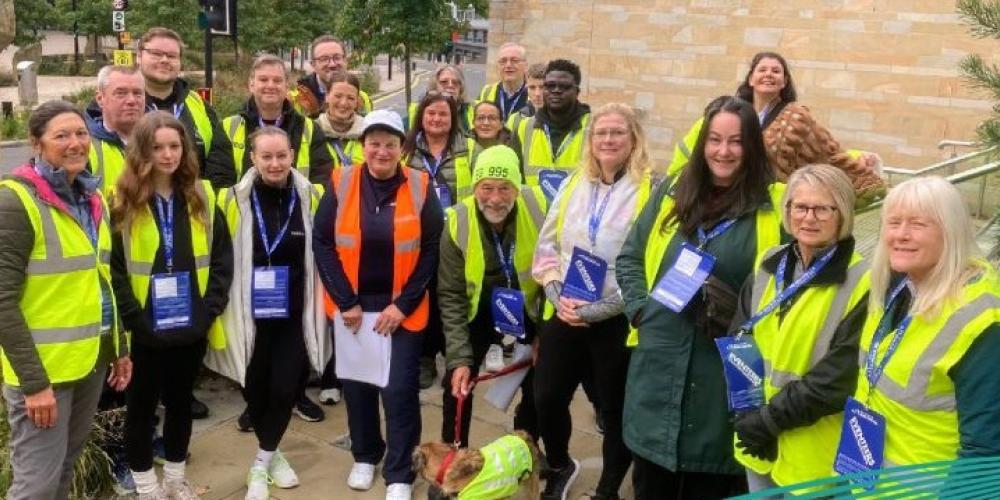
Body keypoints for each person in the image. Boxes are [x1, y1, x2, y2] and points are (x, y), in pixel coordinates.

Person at [615, 96, 785, 499]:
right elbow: (629, 257)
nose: (723, 151)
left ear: (752, 147)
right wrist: (642, 312)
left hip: (722, 381)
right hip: (658, 370)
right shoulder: (671, 191)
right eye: (714, 140)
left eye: (736, 141)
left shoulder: (776, 206)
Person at [0, 100, 131, 500]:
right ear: (37, 143)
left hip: (88, 360)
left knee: (63, 471)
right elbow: (2, 300)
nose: (75, 143)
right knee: (35, 486)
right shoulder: (15, 202)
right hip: (42, 373)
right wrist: (34, 385)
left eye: (80, 134)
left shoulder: (90, 198)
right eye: (62, 136)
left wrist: (118, 346)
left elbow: (101, 280)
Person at [313, 109, 443, 500]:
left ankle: (400, 472)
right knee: (357, 389)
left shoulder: (421, 185)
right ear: (363, 146)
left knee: (399, 391)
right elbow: (323, 242)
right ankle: (365, 454)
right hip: (353, 309)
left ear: (402, 147)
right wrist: (345, 300)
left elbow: (431, 249)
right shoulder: (342, 179)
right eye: (374, 143)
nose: (382, 151)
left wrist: (402, 305)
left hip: (400, 310)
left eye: (390, 144)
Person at [531, 103, 655, 500]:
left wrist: (602, 309)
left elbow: (653, 266)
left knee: (614, 409)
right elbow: (546, 246)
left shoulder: (651, 191)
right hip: (566, 310)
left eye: (617, 132)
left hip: (618, 320)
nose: (608, 140)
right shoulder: (573, 183)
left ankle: (607, 490)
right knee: (546, 396)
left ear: (633, 139)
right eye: (600, 133)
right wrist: (556, 293)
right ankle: (561, 463)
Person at [110, 112, 233, 500]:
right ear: (141, 151)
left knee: (181, 404)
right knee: (141, 409)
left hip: (190, 324)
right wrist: (135, 320)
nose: (167, 155)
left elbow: (221, 260)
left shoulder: (203, 195)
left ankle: (177, 480)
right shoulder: (120, 201)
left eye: (174, 146)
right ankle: (147, 488)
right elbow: (113, 269)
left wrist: (209, 311)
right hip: (143, 329)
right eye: (157, 147)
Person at [725, 164, 869, 491]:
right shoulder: (768, 263)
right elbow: (740, 340)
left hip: (813, 454)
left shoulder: (863, 281)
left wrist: (767, 422)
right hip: (757, 441)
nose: (809, 217)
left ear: (842, 213)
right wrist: (745, 415)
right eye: (800, 207)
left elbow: (838, 377)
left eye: (822, 209)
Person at [204, 126, 329, 500]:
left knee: (285, 388)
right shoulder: (231, 200)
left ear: (292, 154)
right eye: (266, 157)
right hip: (249, 318)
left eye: (281, 155)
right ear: (253, 159)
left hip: (295, 315)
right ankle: (272, 456)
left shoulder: (312, 197)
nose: (275, 164)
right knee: (255, 389)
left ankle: (260, 463)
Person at [847, 177, 1000, 472]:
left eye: (918, 224)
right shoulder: (898, 286)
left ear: (950, 232)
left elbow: (985, 452)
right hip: (867, 481)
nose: (901, 235)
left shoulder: (981, 321)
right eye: (893, 223)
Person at [666, 52, 885, 206]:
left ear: (784, 82)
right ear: (751, 79)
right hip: (717, 201)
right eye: (762, 69)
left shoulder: (796, 117)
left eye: (776, 71)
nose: (769, 74)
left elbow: (826, 153)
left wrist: (858, 159)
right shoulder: (726, 114)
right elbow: (691, 153)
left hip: (767, 207)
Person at [439, 145, 546, 448]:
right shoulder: (457, 220)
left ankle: (524, 446)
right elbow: (451, 295)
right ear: (475, 187)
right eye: (486, 188)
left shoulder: (539, 206)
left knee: (540, 382)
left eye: (504, 188)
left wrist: (544, 335)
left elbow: (556, 272)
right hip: (480, 310)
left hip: (527, 307)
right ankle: (454, 454)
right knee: (456, 383)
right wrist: (459, 359)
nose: (495, 198)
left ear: (517, 187)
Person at [403, 92, 470, 390]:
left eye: (443, 114)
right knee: (424, 295)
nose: (436, 119)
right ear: (421, 116)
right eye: (431, 113)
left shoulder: (468, 148)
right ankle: (425, 358)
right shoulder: (407, 150)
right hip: (418, 238)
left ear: (453, 118)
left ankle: (453, 358)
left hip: (456, 237)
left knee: (451, 296)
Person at [138, 27, 236, 191]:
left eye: (171, 56)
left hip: (192, 207)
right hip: (138, 205)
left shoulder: (198, 105)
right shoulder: (124, 103)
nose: (164, 60)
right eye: (156, 53)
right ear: (138, 57)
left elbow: (218, 161)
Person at [223, 54, 333, 186]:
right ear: (251, 85)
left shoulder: (309, 129)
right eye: (263, 80)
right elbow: (220, 183)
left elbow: (322, 181)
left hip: (298, 206)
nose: (270, 85)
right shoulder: (228, 128)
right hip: (244, 206)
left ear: (286, 87)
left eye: (277, 80)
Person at [511, 59, 591, 200]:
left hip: (575, 219)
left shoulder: (594, 130)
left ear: (577, 92)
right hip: (534, 219)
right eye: (550, 86)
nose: (556, 91)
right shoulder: (523, 128)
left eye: (564, 87)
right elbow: (513, 180)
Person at [85, 65, 146, 195]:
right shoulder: (84, 147)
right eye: (121, 93)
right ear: (100, 98)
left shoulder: (161, 142)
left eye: (137, 93)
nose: (131, 100)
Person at [290, 35, 373, 118]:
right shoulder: (295, 100)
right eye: (324, 59)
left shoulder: (362, 99)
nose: (332, 64)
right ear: (313, 65)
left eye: (337, 57)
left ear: (345, 60)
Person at [316, 70, 367, 171]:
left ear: (357, 101)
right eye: (338, 96)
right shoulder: (312, 131)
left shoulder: (368, 131)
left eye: (350, 98)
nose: (343, 103)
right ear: (327, 96)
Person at [408, 65, 475, 135]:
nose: (450, 85)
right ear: (434, 86)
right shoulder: (416, 111)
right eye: (444, 82)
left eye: (455, 82)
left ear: (460, 89)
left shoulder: (472, 111)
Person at [477, 42, 530, 123]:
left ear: (526, 66)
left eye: (514, 60)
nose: (508, 65)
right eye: (503, 61)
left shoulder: (534, 94)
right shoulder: (486, 91)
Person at [466, 101, 514, 176]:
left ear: (501, 124)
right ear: (473, 123)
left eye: (492, 118)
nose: (486, 123)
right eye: (481, 118)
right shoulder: (462, 148)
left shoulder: (513, 147)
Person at [505, 62, 547, 133]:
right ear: (526, 88)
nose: (537, 94)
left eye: (542, 87)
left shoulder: (564, 119)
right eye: (532, 87)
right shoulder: (515, 119)